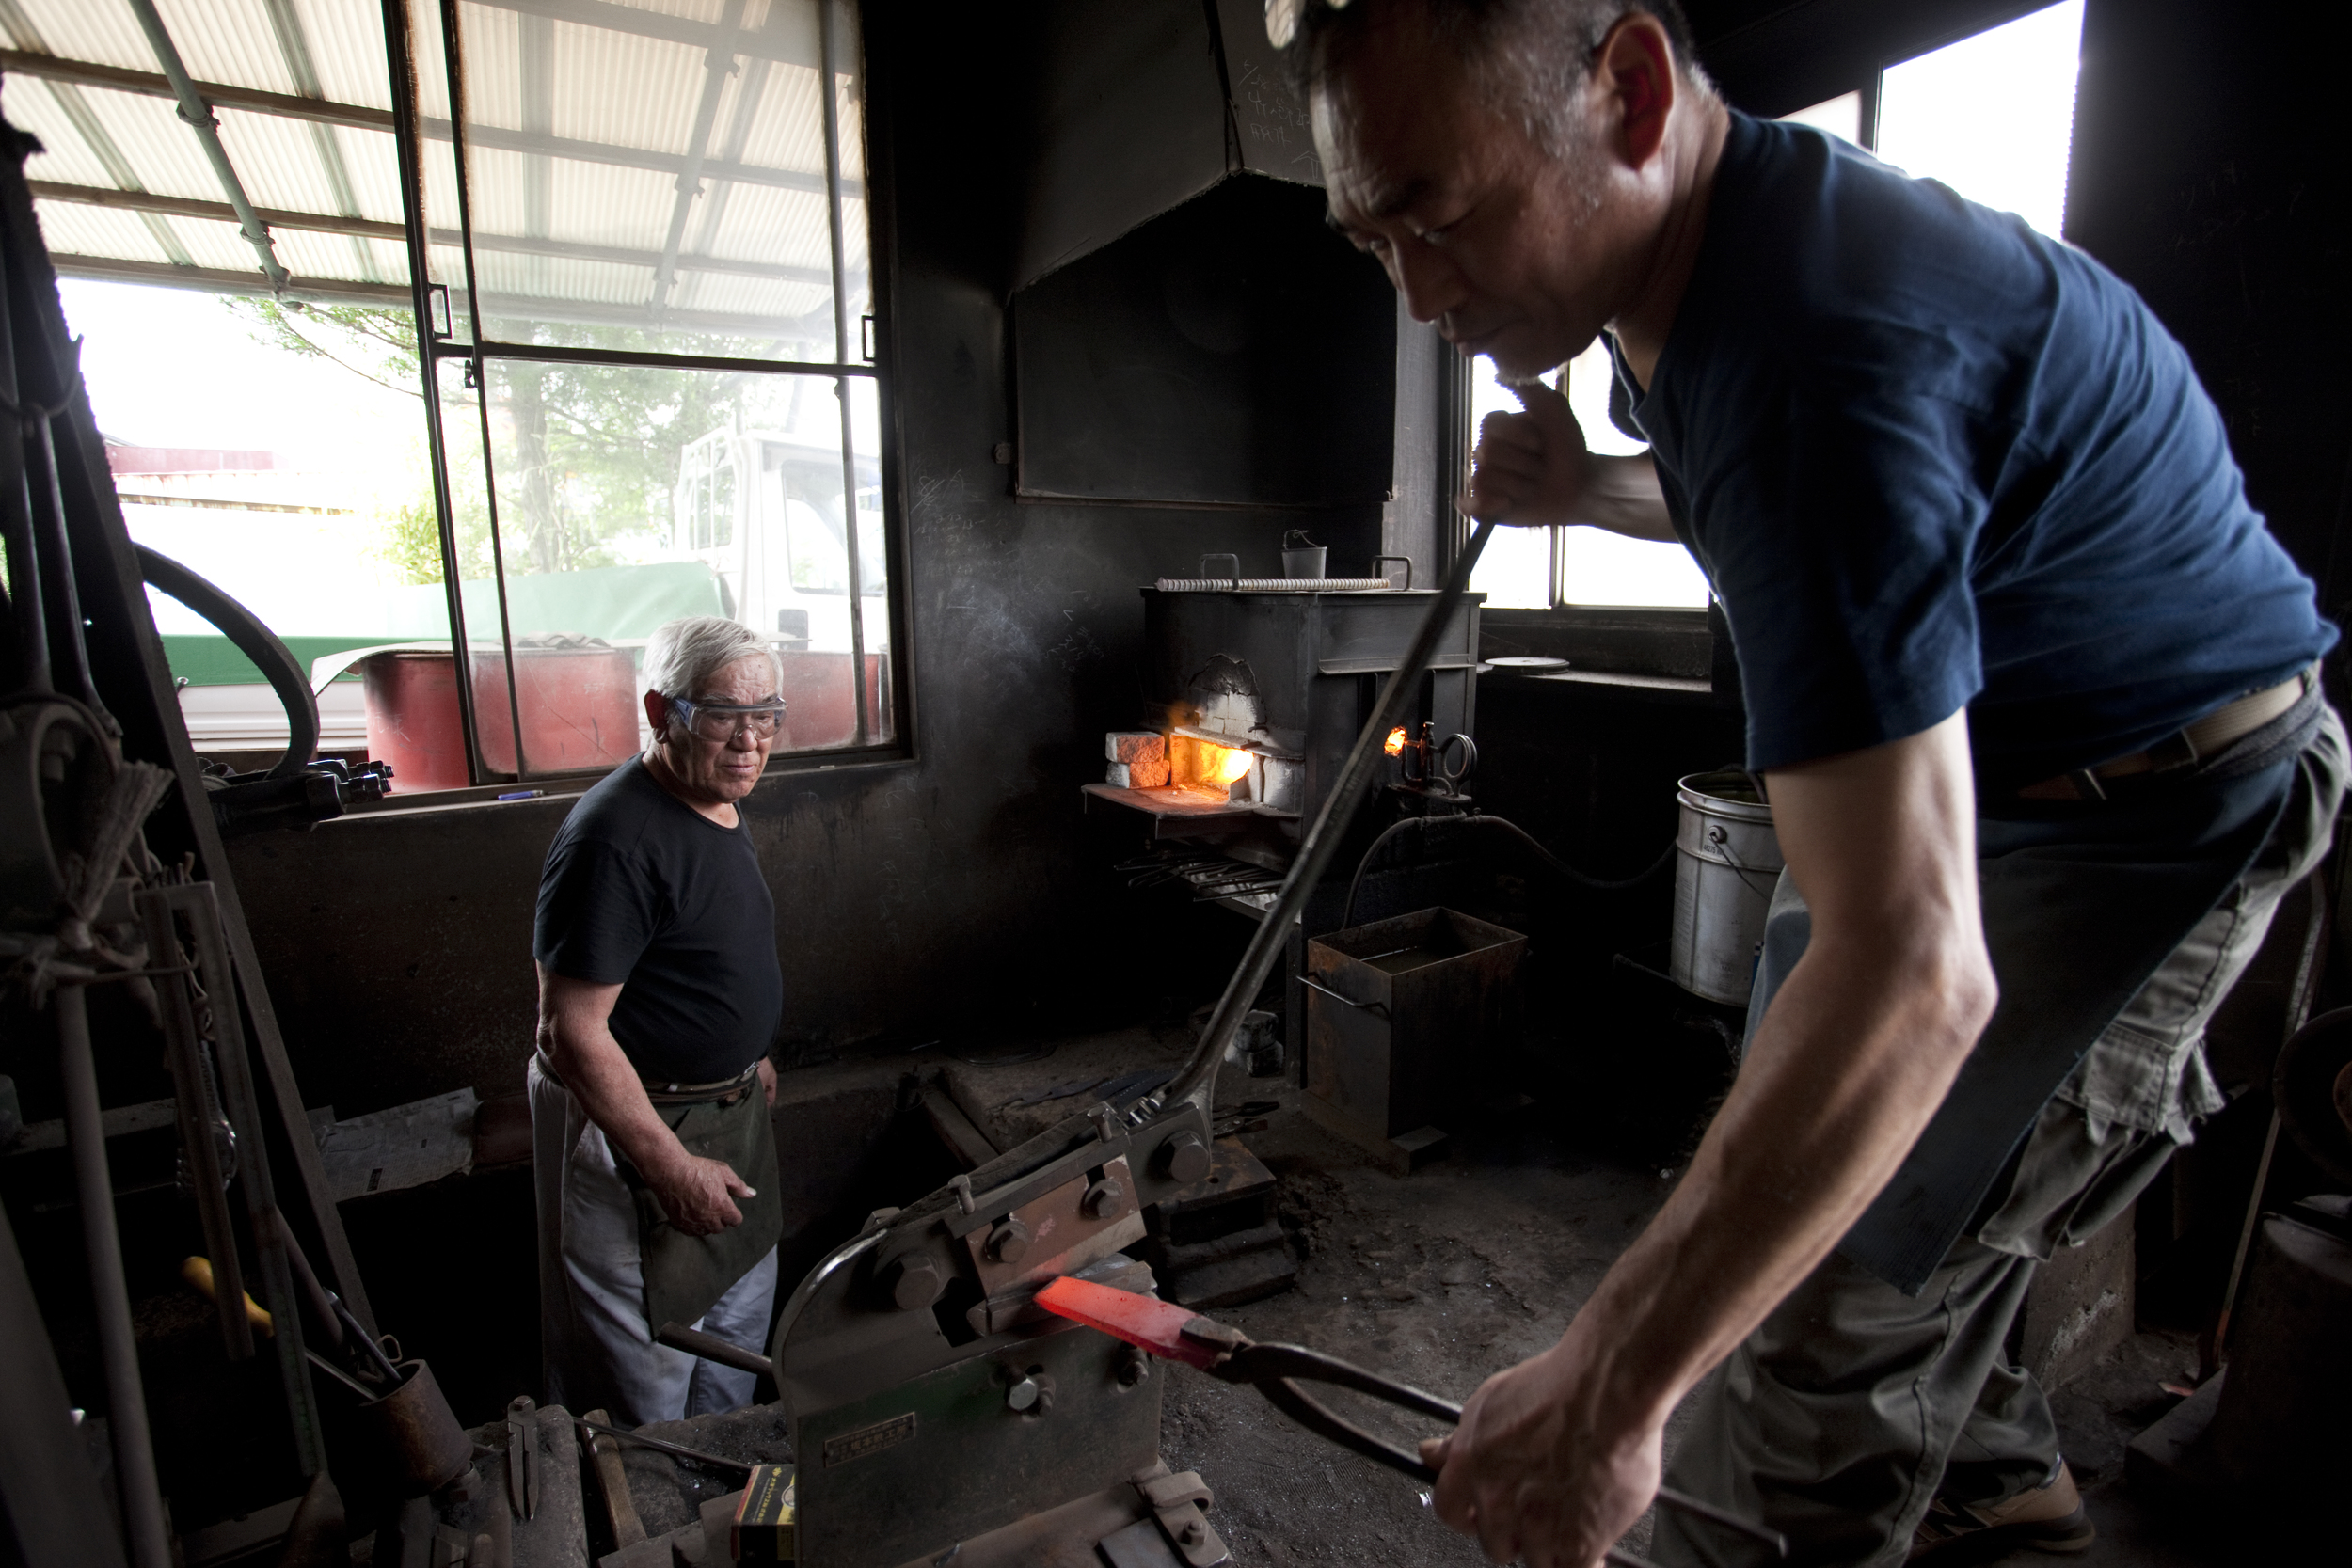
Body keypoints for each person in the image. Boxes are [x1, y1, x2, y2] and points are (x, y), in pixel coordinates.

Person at [1281, 2, 2343, 1564]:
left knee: (1802, 1320)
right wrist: (1593, 486)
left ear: (1629, 93)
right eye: (1375, 241)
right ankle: (1983, 1475)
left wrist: (1604, 1393)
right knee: (1841, 1183)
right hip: (2004, 758)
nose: (1422, 291)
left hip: (2158, 802)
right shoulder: (1686, 275)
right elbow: (1744, 492)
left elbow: (1914, 976)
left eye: (1441, 216)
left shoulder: (1822, 346)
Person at [528, 615, 790, 1425]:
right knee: (653, 1383)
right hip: (641, 1130)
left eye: (766, 714)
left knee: (738, 1342)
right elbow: (569, 1030)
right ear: (659, 710)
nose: (749, 739)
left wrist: (748, 1053)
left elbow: (694, 950)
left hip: (728, 1109)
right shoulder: (614, 838)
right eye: (720, 715)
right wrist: (670, 1166)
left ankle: (723, 1500)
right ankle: (660, 1527)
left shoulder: (713, 796)